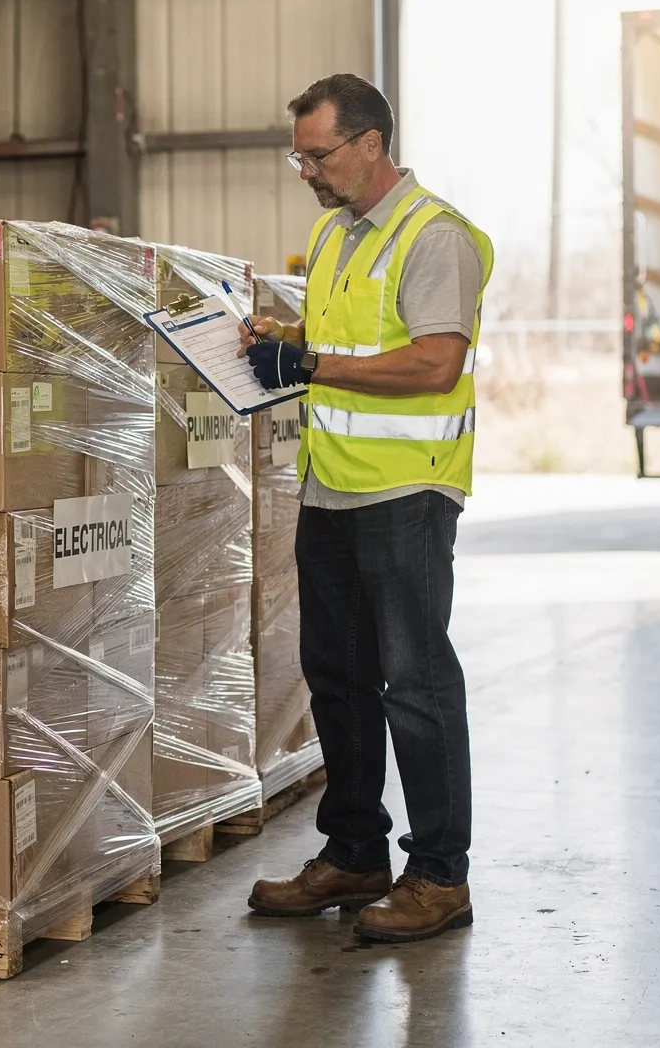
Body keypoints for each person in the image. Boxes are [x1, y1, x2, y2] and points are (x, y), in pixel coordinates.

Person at [237, 73, 492, 943]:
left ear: (371, 144)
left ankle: (439, 877)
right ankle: (354, 853)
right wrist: (283, 346)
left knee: (414, 685)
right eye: (299, 155)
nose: (306, 170)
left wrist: (312, 369)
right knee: (337, 678)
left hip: (407, 492)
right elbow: (339, 347)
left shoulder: (435, 238)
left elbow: (433, 365)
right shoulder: (334, 236)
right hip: (330, 487)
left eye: (319, 154)